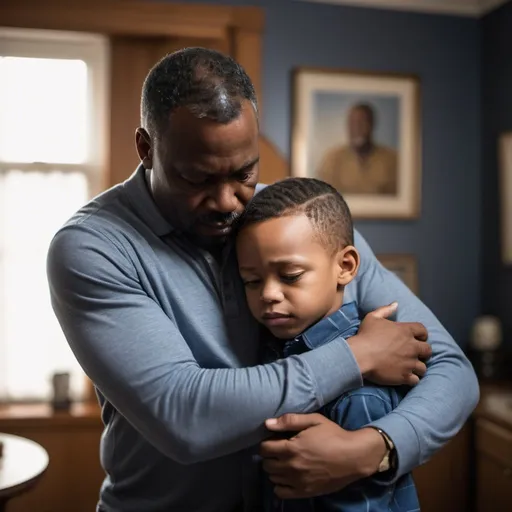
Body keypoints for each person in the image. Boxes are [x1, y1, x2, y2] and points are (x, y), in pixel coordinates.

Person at [46, 48, 478, 512]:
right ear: (147, 149)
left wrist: (374, 449)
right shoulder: (93, 248)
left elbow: (451, 369)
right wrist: (358, 355)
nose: (229, 201)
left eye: (245, 173)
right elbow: (185, 416)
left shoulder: (301, 222)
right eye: (198, 178)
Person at [236, 177, 419, 511]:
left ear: (345, 267)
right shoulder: (270, 346)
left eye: (290, 275)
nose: (268, 294)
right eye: (251, 281)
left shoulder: (360, 395)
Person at [317, 103, 398, 195]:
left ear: (372, 124)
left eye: (361, 122)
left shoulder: (392, 160)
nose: (356, 128)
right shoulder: (331, 159)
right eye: (352, 123)